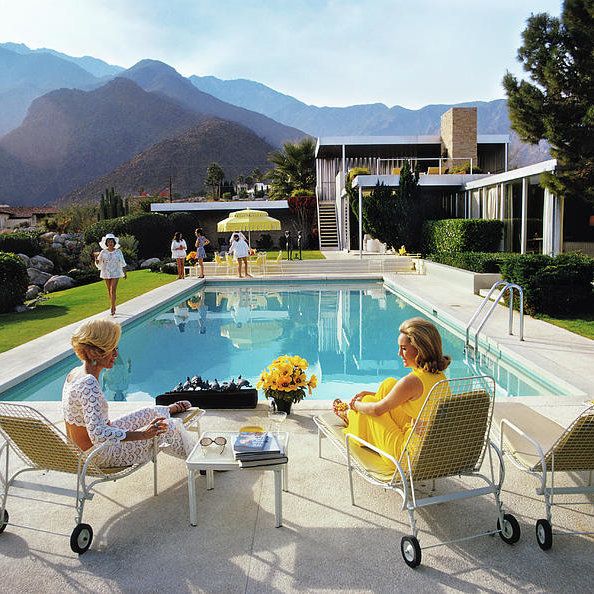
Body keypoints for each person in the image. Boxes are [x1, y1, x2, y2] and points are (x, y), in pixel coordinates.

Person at [62, 319, 195, 468]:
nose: (116, 355)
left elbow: (93, 426)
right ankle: (199, 461)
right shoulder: (88, 383)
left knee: (148, 412)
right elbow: (98, 434)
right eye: (111, 349)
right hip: (99, 455)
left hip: (84, 450)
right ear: (95, 353)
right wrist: (143, 434)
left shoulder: (75, 373)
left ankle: (167, 409)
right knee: (167, 427)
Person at [333, 317, 451, 473]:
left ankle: (350, 416)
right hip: (429, 448)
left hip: (406, 456)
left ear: (419, 349)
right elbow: (411, 399)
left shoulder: (412, 382)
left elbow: (376, 410)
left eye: (403, 348)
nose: (399, 353)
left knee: (369, 403)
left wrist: (355, 405)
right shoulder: (439, 377)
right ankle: (358, 419)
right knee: (389, 385)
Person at [94, 233, 127, 316]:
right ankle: (113, 304)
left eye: (112, 241)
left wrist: (124, 272)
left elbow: (122, 262)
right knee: (109, 291)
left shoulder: (118, 251)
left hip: (116, 272)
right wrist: (95, 258)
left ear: (114, 242)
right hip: (106, 272)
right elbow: (99, 262)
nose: (110, 243)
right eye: (109, 241)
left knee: (113, 290)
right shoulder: (103, 252)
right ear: (106, 243)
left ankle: (112, 307)